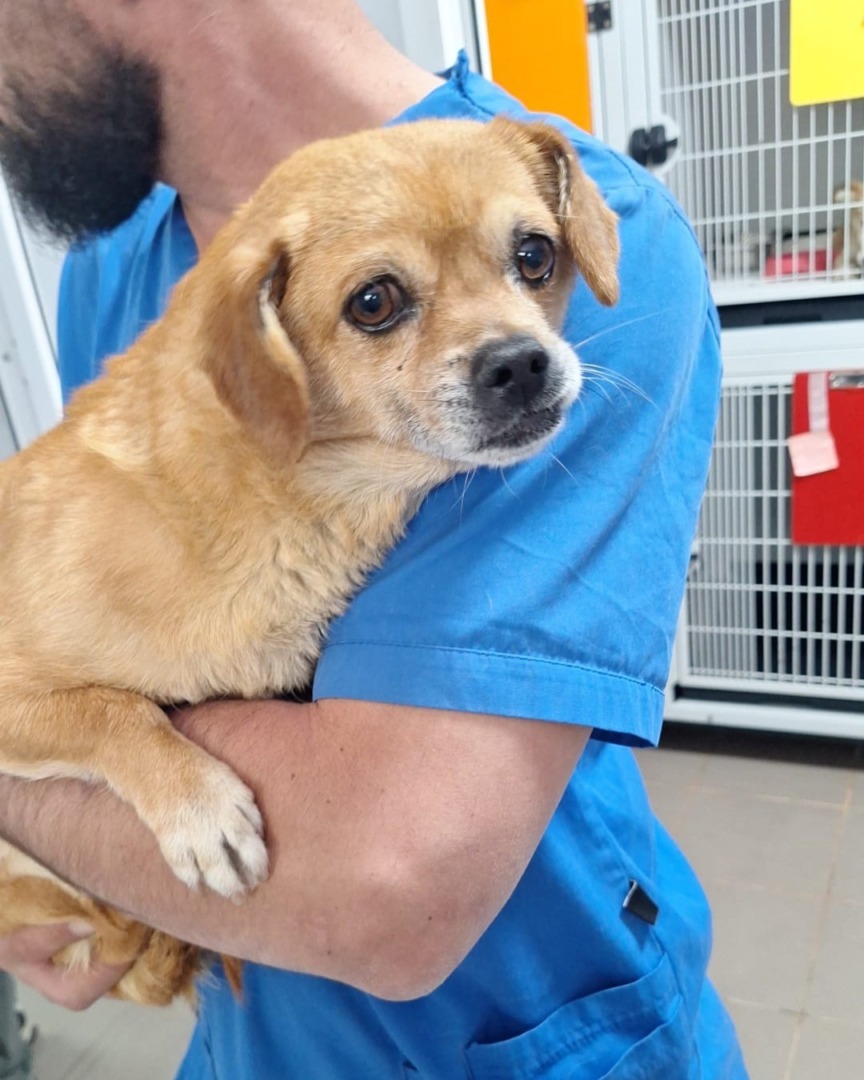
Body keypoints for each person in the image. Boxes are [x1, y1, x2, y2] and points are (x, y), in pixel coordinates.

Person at [0, 1, 749, 1076]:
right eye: (378, 303)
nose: (517, 338)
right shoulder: (116, 266)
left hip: (533, 1026)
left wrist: (50, 779)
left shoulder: (597, 227)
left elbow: (385, 890)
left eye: (532, 261)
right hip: (254, 1035)